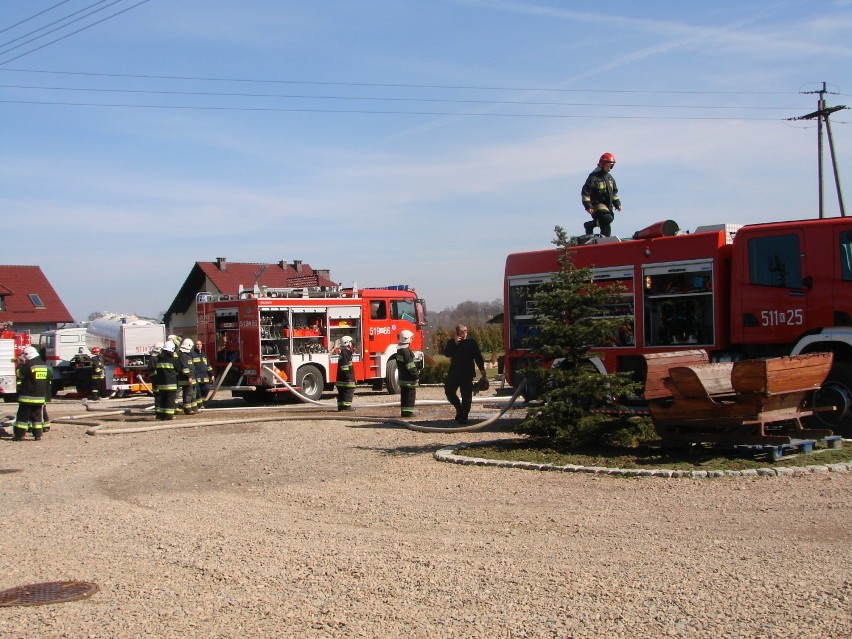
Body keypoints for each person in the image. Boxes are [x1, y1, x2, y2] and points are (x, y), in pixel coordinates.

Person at [443, 324, 487, 425]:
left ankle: (464, 415)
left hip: (467, 373)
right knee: (449, 391)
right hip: (454, 372)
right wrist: (455, 343)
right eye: (462, 332)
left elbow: (478, 357)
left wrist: (482, 370)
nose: (464, 334)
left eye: (465, 331)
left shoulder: (471, 343)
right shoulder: (452, 342)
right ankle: (459, 408)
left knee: (466, 395)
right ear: (457, 333)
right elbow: (447, 353)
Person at [13, 346, 50, 440]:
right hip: (40, 396)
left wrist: (20, 365)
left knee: (23, 417)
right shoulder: (43, 364)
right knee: (37, 417)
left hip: (28, 396)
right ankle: (37, 435)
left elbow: (20, 374)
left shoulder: (29, 365)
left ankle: (19, 435)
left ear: (28, 355)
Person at [581, 152, 621, 238]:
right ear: (602, 164)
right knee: (607, 218)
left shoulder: (610, 178)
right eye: (607, 166)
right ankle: (591, 225)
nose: (609, 169)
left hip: (608, 206)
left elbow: (614, 193)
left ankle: (603, 239)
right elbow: (585, 192)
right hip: (596, 205)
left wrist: (617, 204)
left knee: (607, 225)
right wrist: (588, 206)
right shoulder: (593, 177)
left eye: (611, 167)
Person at [395, 330, 420, 418]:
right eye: (411, 339)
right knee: (410, 395)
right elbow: (410, 365)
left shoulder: (400, 350)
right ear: (407, 339)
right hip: (409, 378)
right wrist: (415, 375)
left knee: (404, 395)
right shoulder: (406, 351)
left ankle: (404, 412)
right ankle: (408, 413)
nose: (412, 340)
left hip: (403, 377)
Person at [153, 340, 178, 420]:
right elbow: (178, 368)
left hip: (161, 384)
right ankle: (169, 415)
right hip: (171, 384)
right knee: (170, 400)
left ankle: (161, 415)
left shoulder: (158, 359)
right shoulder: (173, 360)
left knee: (162, 400)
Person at [335, 335, 356, 411]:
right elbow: (344, 366)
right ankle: (346, 407)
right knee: (349, 390)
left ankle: (341, 406)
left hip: (341, 379)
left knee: (342, 393)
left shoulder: (344, 353)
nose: (352, 345)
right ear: (347, 343)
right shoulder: (345, 353)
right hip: (345, 379)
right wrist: (349, 378)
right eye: (351, 343)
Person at [192, 339, 214, 411]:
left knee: (206, 389)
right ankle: (200, 405)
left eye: (200, 344)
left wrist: (212, 375)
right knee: (198, 392)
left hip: (205, 377)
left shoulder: (204, 355)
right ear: (195, 346)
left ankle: (202, 402)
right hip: (196, 377)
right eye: (197, 344)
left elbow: (208, 366)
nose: (199, 346)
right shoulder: (192, 354)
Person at [177, 338, 197, 415]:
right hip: (187, 379)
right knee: (188, 394)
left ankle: (193, 408)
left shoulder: (187, 355)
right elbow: (185, 368)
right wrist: (189, 377)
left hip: (192, 378)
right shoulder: (183, 356)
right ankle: (187, 409)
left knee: (193, 394)